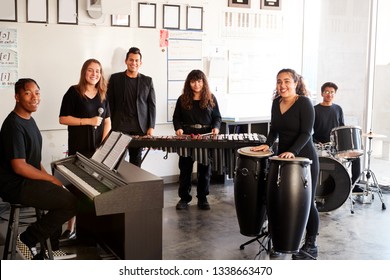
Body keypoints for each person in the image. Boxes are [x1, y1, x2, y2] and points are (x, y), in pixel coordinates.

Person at [0, 78, 78, 260]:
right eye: (28, 93)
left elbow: (34, 161)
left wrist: (48, 177)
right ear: (17, 97)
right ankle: (26, 239)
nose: (35, 97)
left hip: (27, 180)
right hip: (15, 185)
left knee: (61, 194)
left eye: (37, 93)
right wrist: (50, 179)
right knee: (70, 203)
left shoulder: (29, 119)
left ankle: (51, 248)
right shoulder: (13, 125)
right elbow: (19, 166)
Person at [251, 69, 320, 260]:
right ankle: (280, 242)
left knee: (307, 204)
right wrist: (267, 143)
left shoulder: (304, 103)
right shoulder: (276, 103)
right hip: (282, 159)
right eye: (279, 81)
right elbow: (274, 130)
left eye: (287, 81)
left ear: (296, 83)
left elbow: (307, 133)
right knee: (280, 203)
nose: (282, 85)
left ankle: (311, 244)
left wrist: (293, 151)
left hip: (304, 160)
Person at [59, 58, 111, 240]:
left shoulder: (103, 94)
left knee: (94, 189)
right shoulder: (73, 92)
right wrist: (87, 121)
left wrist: (103, 146)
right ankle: (71, 227)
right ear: (84, 72)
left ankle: (91, 228)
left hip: (96, 151)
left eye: (98, 71)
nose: (94, 74)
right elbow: (63, 119)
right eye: (91, 70)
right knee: (76, 189)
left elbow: (107, 122)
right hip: (78, 149)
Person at [172, 70, 222, 210]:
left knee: (205, 169)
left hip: (205, 136)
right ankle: (184, 198)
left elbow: (217, 117)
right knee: (185, 169)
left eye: (199, 81)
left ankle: (202, 198)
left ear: (203, 82)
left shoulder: (211, 98)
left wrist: (216, 128)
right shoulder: (182, 99)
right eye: (193, 81)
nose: (196, 84)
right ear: (189, 83)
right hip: (187, 136)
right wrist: (178, 129)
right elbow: (176, 118)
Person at [107, 47, 156, 167]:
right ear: (126, 61)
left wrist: (151, 127)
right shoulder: (115, 79)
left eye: (136, 60)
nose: (133, 63)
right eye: (131, 60)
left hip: (139, 127)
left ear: (140, 63)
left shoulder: (147, 81)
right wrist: (107, 126)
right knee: (116, 160)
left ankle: (135, 185)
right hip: (119, 125)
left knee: (136, 160)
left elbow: (152, 105)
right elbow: (109, 103)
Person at [313, 82, 361, 187]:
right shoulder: (315, 109)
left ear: (335, 94)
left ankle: (353, 186)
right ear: (322, 94)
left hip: (336, 144)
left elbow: (341, 127)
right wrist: (316, 142)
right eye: (326, 92)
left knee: (356, 158)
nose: (329, 94)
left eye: (332, 92)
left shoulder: (338, 109)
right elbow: (309, 130)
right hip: (320, 144)